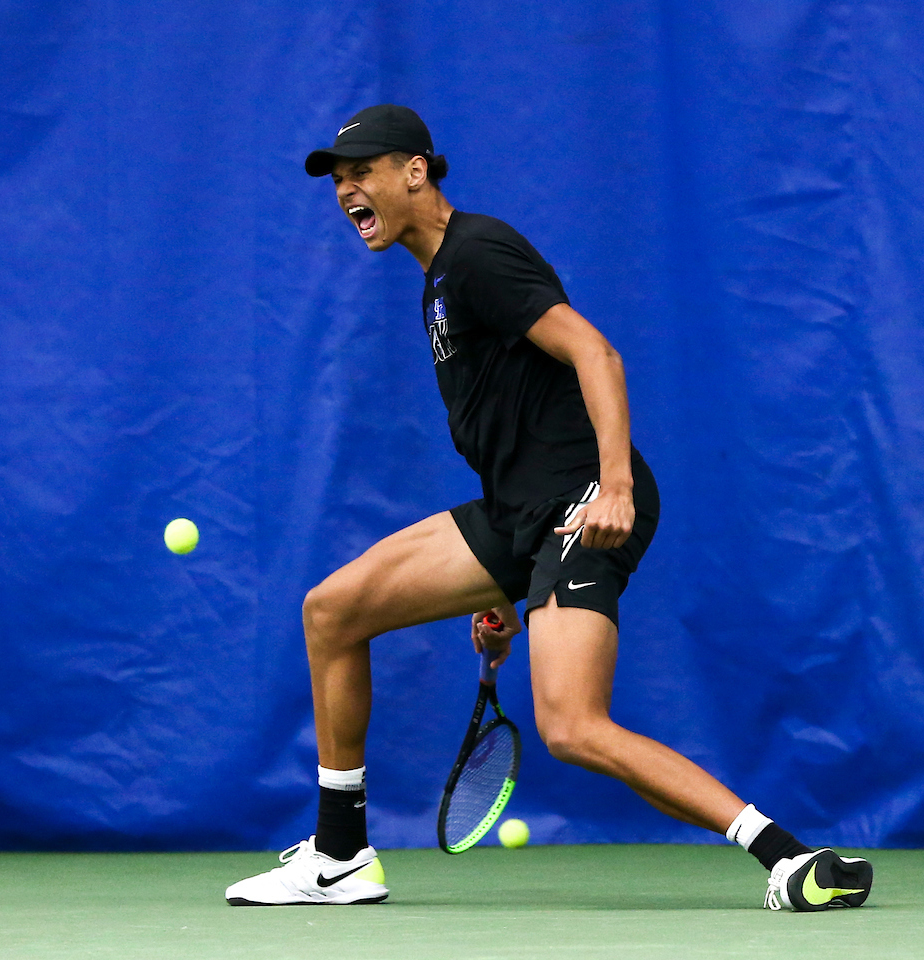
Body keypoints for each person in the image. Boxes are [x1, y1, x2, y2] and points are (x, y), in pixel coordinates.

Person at [224, 104, 873, 911]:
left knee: (571, 726)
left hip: (577, 503)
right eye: (338, 179)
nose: (348, 190)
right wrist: (505, 587)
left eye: (363, 171)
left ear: (415, 172)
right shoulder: (437, 283)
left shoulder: (479, 252)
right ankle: (341, 854)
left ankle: (787, 857)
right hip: (516, 513)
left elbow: (594, 351)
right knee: (333, 611)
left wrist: (615, 486)